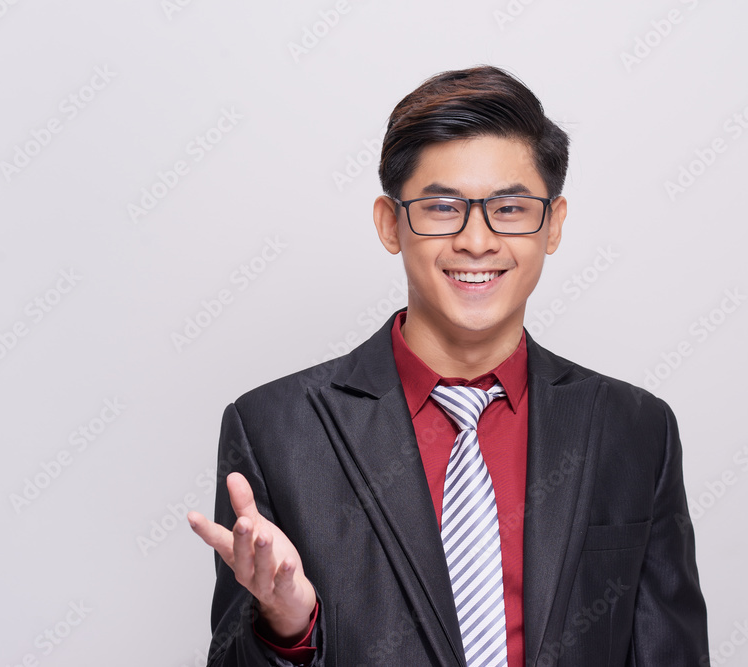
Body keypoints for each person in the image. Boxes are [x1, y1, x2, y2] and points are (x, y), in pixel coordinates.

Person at [188, 65, 709, 667]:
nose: (477, 241)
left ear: (554, 224)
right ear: (390, 223)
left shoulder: (635, 428)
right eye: (443, 208)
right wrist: (287, 626)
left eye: (510, 209)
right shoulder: (275, 430)